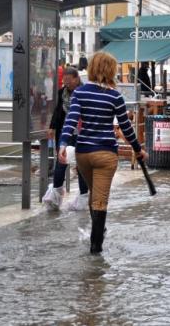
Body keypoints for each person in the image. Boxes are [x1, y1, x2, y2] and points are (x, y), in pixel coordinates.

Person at [58, 52, 148, 254]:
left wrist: (63, 144)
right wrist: (138, 149)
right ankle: (96, 246)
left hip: (83, 155)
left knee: (94, 195)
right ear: (110, 70)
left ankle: (98, 232)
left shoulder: (79, 94)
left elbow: (70, 121)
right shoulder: (115, 96)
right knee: (100, 199)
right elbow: (126, 128)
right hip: (106, 154)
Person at [44, 67, 89, 211]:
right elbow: (57, 111)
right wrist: (52, 127)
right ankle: (55, 196)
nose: (66, 84)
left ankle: (83, 197)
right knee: (61, 162)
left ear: (77, 79)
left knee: (81, 165)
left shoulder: (85, 92)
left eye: (69, 81)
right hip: (65, 133)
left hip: (81, 133)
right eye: (64, 81)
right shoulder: (61, 93)